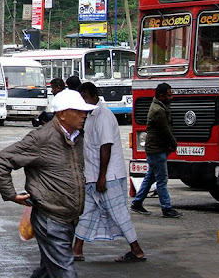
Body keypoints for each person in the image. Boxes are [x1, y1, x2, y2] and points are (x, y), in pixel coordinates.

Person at [0, 89, 96, 278]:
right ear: (63, 114)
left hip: (68, 217)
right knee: (65, 271)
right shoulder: (41, 138)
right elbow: (2, 160)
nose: (84, 115)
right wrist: (11, 194)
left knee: (48, 270)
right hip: (50, 218)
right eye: (79, 111)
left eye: (85, 111)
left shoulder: (77, 137)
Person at [72, 82, 146, 263]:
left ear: (94, 96)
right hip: (93, 175)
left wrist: (102, 177)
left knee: (118, 212)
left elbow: (106, 146)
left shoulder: (103, 116)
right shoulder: (90, 116)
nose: (83, 102)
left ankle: (136, 250)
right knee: (87, 212)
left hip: (107, 176)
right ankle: (76, 249)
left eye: (85, 98)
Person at [131, 82, 182, 218]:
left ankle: (137, 203)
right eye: (169, 95)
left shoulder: (159, 106)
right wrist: (173, 143)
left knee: (151, 177)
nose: (171, 98)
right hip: (157, 150)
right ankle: (166, 208)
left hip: (155, 149)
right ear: (161, 95)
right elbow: (165, 131)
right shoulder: (158, 111)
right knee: (162, 179)